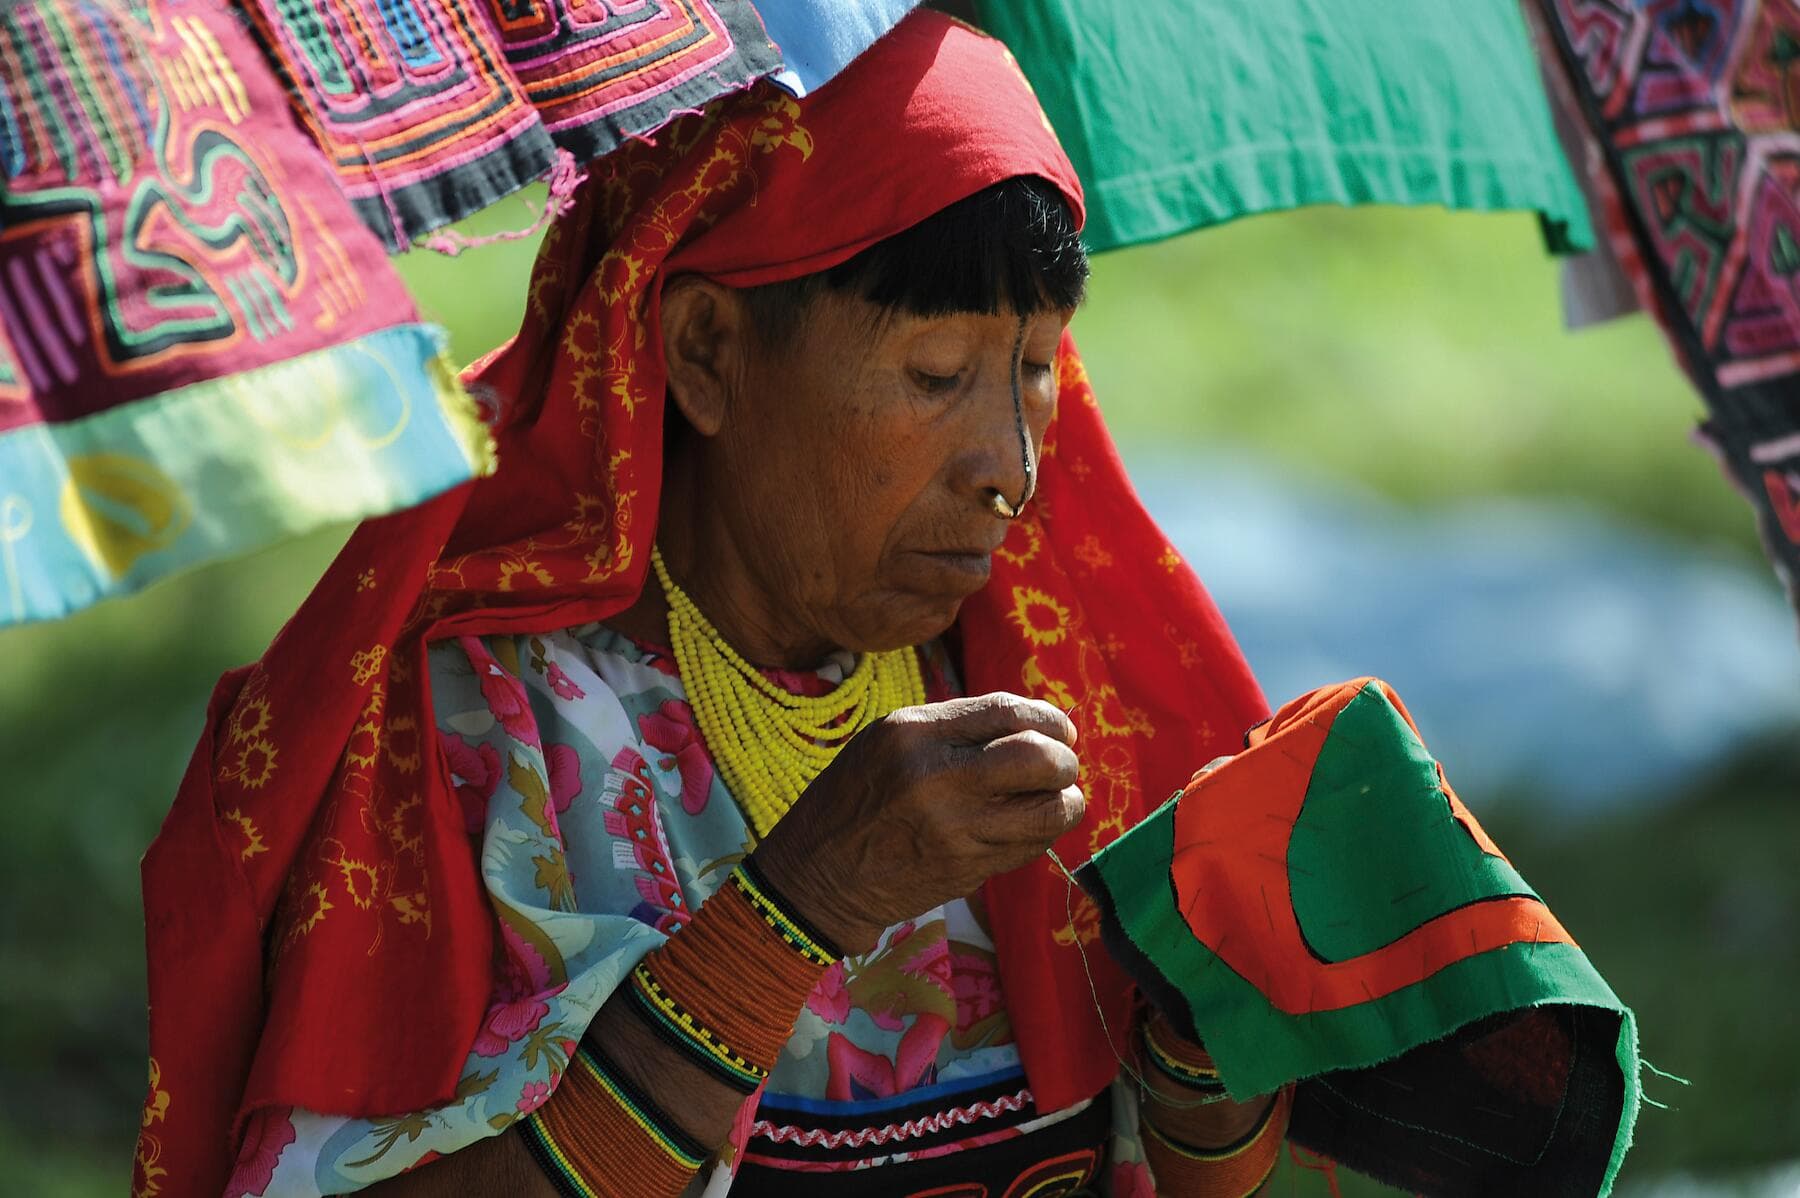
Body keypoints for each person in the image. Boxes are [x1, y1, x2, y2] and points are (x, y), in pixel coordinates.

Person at [136, 12, 1284, 1196]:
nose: (1010, 466)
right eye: (937, 374)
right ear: (706, 352)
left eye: (1035, 370)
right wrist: (802, 906)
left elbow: (1168, 1163)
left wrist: (1219, 1039)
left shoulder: (1030, 685)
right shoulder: (475, 735)